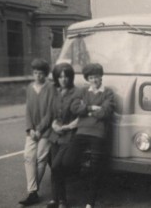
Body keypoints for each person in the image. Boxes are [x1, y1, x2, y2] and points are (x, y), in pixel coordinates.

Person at [63, 63, 115, 208]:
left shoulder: (108, 92)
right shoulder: (83, 91)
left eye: (96, 77)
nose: (94, 80)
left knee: (95, 168)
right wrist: (91, 108)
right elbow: (73, 108)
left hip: (98, 133)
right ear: (87, 79)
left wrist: (84, 109)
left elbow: (105, 112)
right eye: (91, 77)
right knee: (68, 161)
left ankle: (89, 202)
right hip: (81, 131)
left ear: (101, 77)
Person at [19, 58, 55, 206]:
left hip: (46, 131)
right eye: (35, 73)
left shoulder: (51, 87)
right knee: (28, 156)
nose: (38, 76)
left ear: (45, 74)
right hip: (32, 131)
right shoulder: (29, 88)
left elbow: (50, 112)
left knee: (40, 158)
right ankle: (32, 191)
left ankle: (33, 192)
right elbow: (27, 110)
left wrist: (39, 129)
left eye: (41, 73)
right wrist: (31, 129)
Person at [46, 63, 79, 208]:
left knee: (57, 166)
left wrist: (65, 127)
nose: (63, 79)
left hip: (69, 135)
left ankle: (63, 200)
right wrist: (53, 124)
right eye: (60, 77)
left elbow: (80, 118)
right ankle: (55, 199)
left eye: (66, 76)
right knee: (53, 167)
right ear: (56, 78)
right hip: (55, 135)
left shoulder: (77, 92)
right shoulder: (56, 92)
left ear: (71, 77)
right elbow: (52, 114)